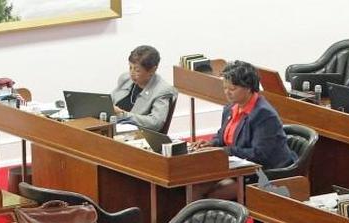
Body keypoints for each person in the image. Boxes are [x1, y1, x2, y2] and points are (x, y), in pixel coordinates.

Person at [193, 60, 295, 199]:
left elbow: (260, 154)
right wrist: (211, 144)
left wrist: (226, 151)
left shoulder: (264, 114)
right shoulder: (230, 108)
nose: (227, 93)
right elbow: (222, 137)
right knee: (193, 185)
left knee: (209, 196)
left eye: (232, 89)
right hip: (235, 169)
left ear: (248, 88)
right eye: (225, 88)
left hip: (264, 174)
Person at [111, 45, 178, 133]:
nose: (132, 73)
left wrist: (123, 115)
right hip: (113, 128)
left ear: (152, 70)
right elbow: (110, 101)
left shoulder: (163, 90)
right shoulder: (125, 79)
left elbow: (155, 123)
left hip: (139, 136)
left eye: (137, 70)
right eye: (130, 67)